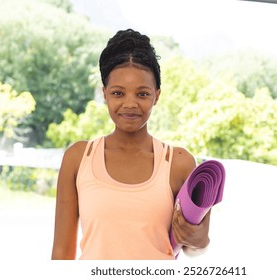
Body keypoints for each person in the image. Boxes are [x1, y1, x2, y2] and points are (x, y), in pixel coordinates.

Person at [51, 29, 210, 260]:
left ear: (157, 95)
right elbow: (61, 253)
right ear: (105, 94)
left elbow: (196, 248)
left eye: (142, 94)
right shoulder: (78, 158)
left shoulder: (179, 163)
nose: (130, 104)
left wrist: (199, 240)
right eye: (118, 93)